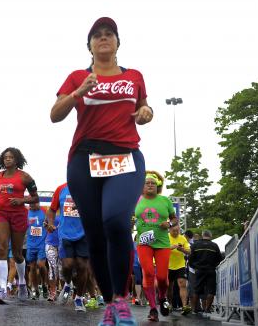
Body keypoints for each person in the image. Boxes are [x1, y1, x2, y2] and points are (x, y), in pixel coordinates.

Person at [50, 17, 153, 326]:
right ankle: (110, 303)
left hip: (125, 157)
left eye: (109, 34)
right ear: (90, 45)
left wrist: (147, 112)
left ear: (118, 43)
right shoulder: (77, 76)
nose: (103, 38)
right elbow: (55, 114)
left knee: (115, 221)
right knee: (94, 231)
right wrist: (78, 91)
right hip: (84, 158)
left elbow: (144, 108)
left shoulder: (134, 75)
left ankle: (122, 300)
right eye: (97, 35)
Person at [0, 147, 39, 304]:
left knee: (17, 253)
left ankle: (22, 282)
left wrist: (22, 200)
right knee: (2, 248)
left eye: (10, 157)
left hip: (18, 215)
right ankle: (3, 288)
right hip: (1, 214)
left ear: (16, 160)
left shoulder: (25, 177)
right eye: (5, 157)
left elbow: (35, 197)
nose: (7, 159)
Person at [135, 171, 177, 322]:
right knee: (148, 273)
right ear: (142, 186)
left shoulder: (165, 200)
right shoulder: (136, 200)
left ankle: (162, 296)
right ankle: (153, 308)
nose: (150, 185)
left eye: (153, 183)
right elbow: (128, 217)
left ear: (157, 186)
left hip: (162, 243)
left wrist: (170, 224)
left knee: (162, 278)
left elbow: (174, 219)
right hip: (144, 243)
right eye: (147, 183)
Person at [46, 183, 91, 312]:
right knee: (67, 266)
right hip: (65, 234)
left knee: (82, 266)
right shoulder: (61, 189)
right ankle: (67, 283)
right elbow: (52, 209)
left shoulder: (90, 187)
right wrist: (49, 223)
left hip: (84, 234)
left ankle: (79, 298)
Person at [189, 229, 222, 318]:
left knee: (197, 290)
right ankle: (207, 309)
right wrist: (214, 265)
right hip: (211, 270)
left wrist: (194, 267)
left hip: (199, 270)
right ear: (210, 236)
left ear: (202, 235)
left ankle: (194, 310)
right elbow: (219, 258)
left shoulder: (195, 245)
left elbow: (190, 258)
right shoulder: (214, 245)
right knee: (211, 290)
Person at [167, 224, 191, 315]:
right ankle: (169, 304)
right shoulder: (165, 237)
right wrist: (171, 247)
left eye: (178, 231)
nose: (176, 232)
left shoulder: (183, 238)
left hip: (180, 265)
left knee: (182, 283)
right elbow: (160, 249)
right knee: (169, 287)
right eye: (174, 231)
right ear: (169, 230)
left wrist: (182, 250)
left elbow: (189, 251)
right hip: (168, 266)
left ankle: (184, 306)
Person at [26, 201, 47, 300]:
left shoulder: (44, 210)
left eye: (33, 203)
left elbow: (50, 221)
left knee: (41, 265)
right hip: (30, 244)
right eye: (30, 204)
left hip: (42, 243)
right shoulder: (27, 212)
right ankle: (35, 289)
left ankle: (44, 284)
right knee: (32, 267)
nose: (32, 205)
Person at [44, 212, 60, 301]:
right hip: (50, 243)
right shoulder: (49, 212)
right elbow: (45, 225)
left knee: (63, 269)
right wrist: (48, 227)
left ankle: (65, 291)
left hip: (64, 242)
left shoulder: (67, 209)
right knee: (52, 268)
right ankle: (53, 292)